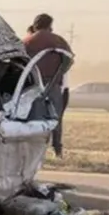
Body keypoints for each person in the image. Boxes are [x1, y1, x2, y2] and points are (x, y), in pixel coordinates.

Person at [23, 14, 73, 157]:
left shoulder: (27, 41)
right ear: (49, 25)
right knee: (56, 118)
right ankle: (57, 150)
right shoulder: (58, 40)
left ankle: (33, 151)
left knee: (34, 119)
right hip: (54, 85)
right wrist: (58, 73)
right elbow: (69, 60)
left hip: (32, 86)